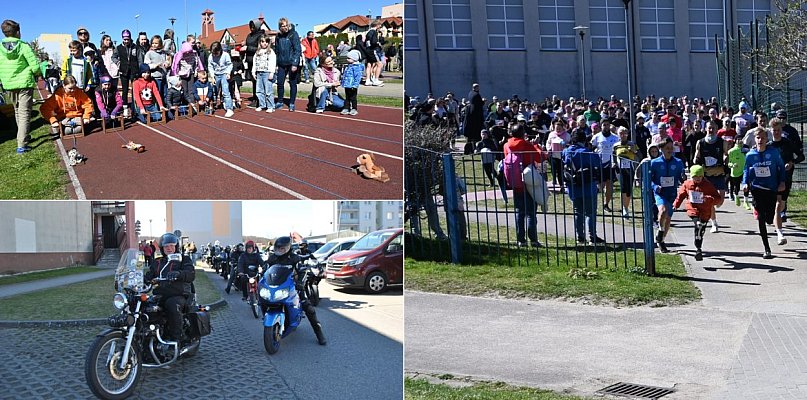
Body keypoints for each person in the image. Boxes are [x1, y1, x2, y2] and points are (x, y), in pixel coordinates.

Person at [264, 236, 326, 345]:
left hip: (293, 286)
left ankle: (319, 333)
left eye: (282, 248)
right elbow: (266, 271)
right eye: (278, 248)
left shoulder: (294, 258)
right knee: (264, 300)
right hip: (277, 287)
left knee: (308, 308)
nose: (280, 250)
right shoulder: (272, 258)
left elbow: (302, 271)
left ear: (288, 248)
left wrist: (300, 282)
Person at [743, 127, 786, 259]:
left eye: (762, 138)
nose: (760, 140)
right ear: (754, 139)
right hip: (757, 189)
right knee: (761, 219)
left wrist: (782, 182)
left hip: (771, 189)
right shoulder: (750, 155)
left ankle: (766, 216)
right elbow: (746, 169)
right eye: (758, 138)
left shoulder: (773, 152)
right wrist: (745, 183)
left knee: (769, 218)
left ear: (767, 139)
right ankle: (767, 249)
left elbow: (781, 167)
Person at [144, 232, 195, 341]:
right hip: (160, 295)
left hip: (178, 294)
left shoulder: (184, 259)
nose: (169, 248)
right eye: (166, 246)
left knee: (172, 305)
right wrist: (140, 279)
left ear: (176, 246)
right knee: (145, 307)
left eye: (172, 245)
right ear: (162, 248)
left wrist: (179, 274)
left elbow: (190, 274)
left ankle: (176, 339)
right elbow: (149, 275)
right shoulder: (157, 262)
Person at [0, 19, 41, 154]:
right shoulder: (23, 46)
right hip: (24, 83)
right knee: (24, 113)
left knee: (17, 110)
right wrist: (36, 73)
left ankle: (23, 136)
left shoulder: (0, 48)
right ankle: (22, 144)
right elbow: (35, 66)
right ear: (17, 32)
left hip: (9, 84)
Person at [503, 124, 545, 247]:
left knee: (519, 212)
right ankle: (533, 239)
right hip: (528, 180)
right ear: (523, 133)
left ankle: (521, 240)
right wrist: (536, 145)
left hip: (515, 182)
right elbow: (539, 158)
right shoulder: (526, 145)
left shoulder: (506, 145)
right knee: (531, 212)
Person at [563, 127, 605, 245]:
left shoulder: (566, 152)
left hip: (573, 186)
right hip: (588, 185)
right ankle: (592, 236)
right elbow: (598, 162)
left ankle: (580, 237)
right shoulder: (587, 152)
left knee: (578, 212)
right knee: (591, 212)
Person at [672, 165, 721, 261]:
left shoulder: (707, 185)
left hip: (705, 211)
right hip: (693, 209)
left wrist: (708, 199)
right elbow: (681, 195)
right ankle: (698, 225)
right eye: (695, 177)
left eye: (700, 176)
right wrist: (676, 205)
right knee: (697, 223)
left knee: (701, 231)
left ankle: (698, 249)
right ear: (691, 176)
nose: (698, 179)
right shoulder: (687, 184)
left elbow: (717, 198)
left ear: (703, 176)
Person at [767, 117, 799, 245]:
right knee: (777, 205)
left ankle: (775, 220)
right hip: (773, 180)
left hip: (786, 179)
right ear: (771, 131)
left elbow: (800, 155)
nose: (776, 132)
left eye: (778, 130)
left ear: (782, 130)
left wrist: (792, 162)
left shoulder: (787, 143)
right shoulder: (768, 146)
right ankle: (780, 234)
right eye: (774, 130)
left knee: (781, 206)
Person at [650, 138, 685, 253]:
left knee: (668, 218)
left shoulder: (678, 162)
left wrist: (683, 178)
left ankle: (661, 240)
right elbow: (649, 180)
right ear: (661, 149)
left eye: (671, 148)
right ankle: (660, 230)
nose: (670, 150)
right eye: (667, 148)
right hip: (660, 193)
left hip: (672, 193)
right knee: (663, 210)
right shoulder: (655, 163)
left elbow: (681, 177)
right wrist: (655, 187)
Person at [693, 120, 727, 233]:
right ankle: (714, 223)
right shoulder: (701, 142)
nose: (711, 130)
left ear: (717, 130)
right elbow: (696, 155)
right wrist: (695, 161)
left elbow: (726, 154)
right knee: (710, 201)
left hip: (719, 173)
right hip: (707, 175)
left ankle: (715, 212)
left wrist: (726, 158)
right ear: (705, 129)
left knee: (720, 201)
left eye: (713, 128)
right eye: (709, 128)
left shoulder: (722, 142)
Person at [590, 119, 620, 212]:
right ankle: (593, 204)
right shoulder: (596, 137)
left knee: (609, 185)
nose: (606, 126)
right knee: (599, 186)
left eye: (607, 125)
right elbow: (592, 148)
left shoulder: (615, 138)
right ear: (601, 126)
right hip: (599, 164)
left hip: (611, 165)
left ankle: (606, 204)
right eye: (604, 125)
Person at [273, 17, 302, 112]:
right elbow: (276, 50)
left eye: (286, 25)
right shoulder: (278, 36)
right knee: (280, 83)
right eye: (282, 26)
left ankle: (292, 103)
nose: (284, 27)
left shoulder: (293, 34)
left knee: (293, 83)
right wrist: (276, 64)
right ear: (279, 27)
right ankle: (280, 101)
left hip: (291, 63)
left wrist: (295, 63)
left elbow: (297, 50)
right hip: (281, 63)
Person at [613, 126, 639, 217]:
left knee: (629, 189)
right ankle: (624, 208)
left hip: (630, 168)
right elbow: (613, 155)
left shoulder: (632, 144)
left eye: (625, 133)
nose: (623, 135)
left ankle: (626, 206)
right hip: (620, 169)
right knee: (623, 187)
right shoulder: (616, 145)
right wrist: (614, 164)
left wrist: (633, 151)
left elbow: (640, 155)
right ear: (618, 135)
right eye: (621, 133)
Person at [171, 41, 204, 114]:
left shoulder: (194, 54)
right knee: (184, 91)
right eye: (186, 52)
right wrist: (176, 74)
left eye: (189, 52)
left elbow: (197, 62)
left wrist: (196, 70)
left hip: (191, 74)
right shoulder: (179, 55)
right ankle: (188, 106)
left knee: (191, 91)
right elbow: (175, 64)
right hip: (182, 75)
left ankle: (192, 107)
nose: (187, 54)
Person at [207, 42, 235, 118]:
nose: (215, 55)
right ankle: (212, 104)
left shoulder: (225, 55)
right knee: (214, 90)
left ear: (220, 50)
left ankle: (229, 108)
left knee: (226, 90)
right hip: (216, 74)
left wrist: (228, 73)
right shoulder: (210, 56)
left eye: (217, 53)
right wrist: (212, 76)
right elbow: (210, 66)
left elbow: (230, 64)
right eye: (214, 53)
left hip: (224, 74)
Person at [251, 35, 276, 113]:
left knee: (268, 91)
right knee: (259, 90)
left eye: (266, 42)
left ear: (268, 43)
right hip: (259, 73)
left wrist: (272, 72)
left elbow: (273, 62)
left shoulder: (271, 52)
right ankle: (262, 105)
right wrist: (253, 71)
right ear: (260, 42)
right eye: (262, 42)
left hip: (267, 73)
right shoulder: (257, 52)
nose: (264, 43)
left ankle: (271, 106)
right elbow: (254, 62)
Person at [116, 30, 138, 109]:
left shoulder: (134, 46)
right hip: (123, 71)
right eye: (124, 39)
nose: (126, 41)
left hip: (133, 71)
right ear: (122, 39)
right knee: (125, 90)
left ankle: (134, 106)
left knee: (134, 89)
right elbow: (113, 57)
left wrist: (137, 69)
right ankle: (125, 106)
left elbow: (138, 58)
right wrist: (118, 63)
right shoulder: (118, 48)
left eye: (127, 39)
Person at [545, 118, 570, 189]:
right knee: (553, 169)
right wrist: (548, 149)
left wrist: (565, 144)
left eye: (559, 128)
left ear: (562, 128)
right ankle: (554, 179)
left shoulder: (566, 135)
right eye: (556, 128)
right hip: (553, 155)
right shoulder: (551, 134)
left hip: (562, 156)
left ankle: (561, 185)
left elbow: (569, 143)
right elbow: (548, 142)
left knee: (560, 171)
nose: (558, 130)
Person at [244, 18, 264, 102]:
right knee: (253, 80)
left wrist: (248, 48)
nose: (251, 28)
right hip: (249, 60)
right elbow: (248, 43)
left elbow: (260, 48)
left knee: (258, 80)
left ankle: (259, 99)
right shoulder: (249, 35)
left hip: (257, 60)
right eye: (250, 27)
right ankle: (255, 97)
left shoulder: (261, 35)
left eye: (253, 27)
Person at [144, 35, 169, 101]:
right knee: (158, 94)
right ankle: (159, 109)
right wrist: (155, 65)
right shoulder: (149, 53)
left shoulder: (163, 53)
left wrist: (166, 63)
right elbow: (146, 65)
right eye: (153, 43)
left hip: (163, 77)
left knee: (165, 94)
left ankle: (166, 109)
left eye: (156, 43)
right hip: (155, 78)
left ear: (160, 44)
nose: (154, 45)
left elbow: (166, 60)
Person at [340, 50, 364, 116]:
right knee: (347, 97)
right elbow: (345, 75)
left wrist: (355, 85)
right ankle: (346, 108)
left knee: (353, 98)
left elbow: (358, 77)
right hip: (347, 85)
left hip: (353, 86)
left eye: (349, 58)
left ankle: (354, 108)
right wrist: (342, 82)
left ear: (354, 59)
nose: (347, 59)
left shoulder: (357, 67)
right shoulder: (348, 66)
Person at [726, 136, 747, 208]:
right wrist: (732, 165)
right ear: (735, 141)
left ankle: (745, 200)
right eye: (738, 139)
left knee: (746, 185)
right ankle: (734, 195)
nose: (739, 140)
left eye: (741, 139)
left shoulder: (745, 149)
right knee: (735, 186)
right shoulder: (731, 151)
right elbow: (728, 163)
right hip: (735, 172)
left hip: (744, 171)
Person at [463, 83, 485, 151]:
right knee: (476, 135)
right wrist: (483, 102)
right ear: (476, 88)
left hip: (470, 117)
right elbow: (479, 104)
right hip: (476, 118)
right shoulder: (476, 95)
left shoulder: (470, 93)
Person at [363, 20, 383, 86]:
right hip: (373, 50)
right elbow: (373, 42)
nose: (380, 27)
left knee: (369, 65)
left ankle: (368, 80)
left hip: (368, 50)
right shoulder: (374, 32)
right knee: (379, 64)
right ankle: (376, 80)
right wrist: (378, 43)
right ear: (377, 25)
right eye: (380, 26)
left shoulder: (368, 32)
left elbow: (366, 42)